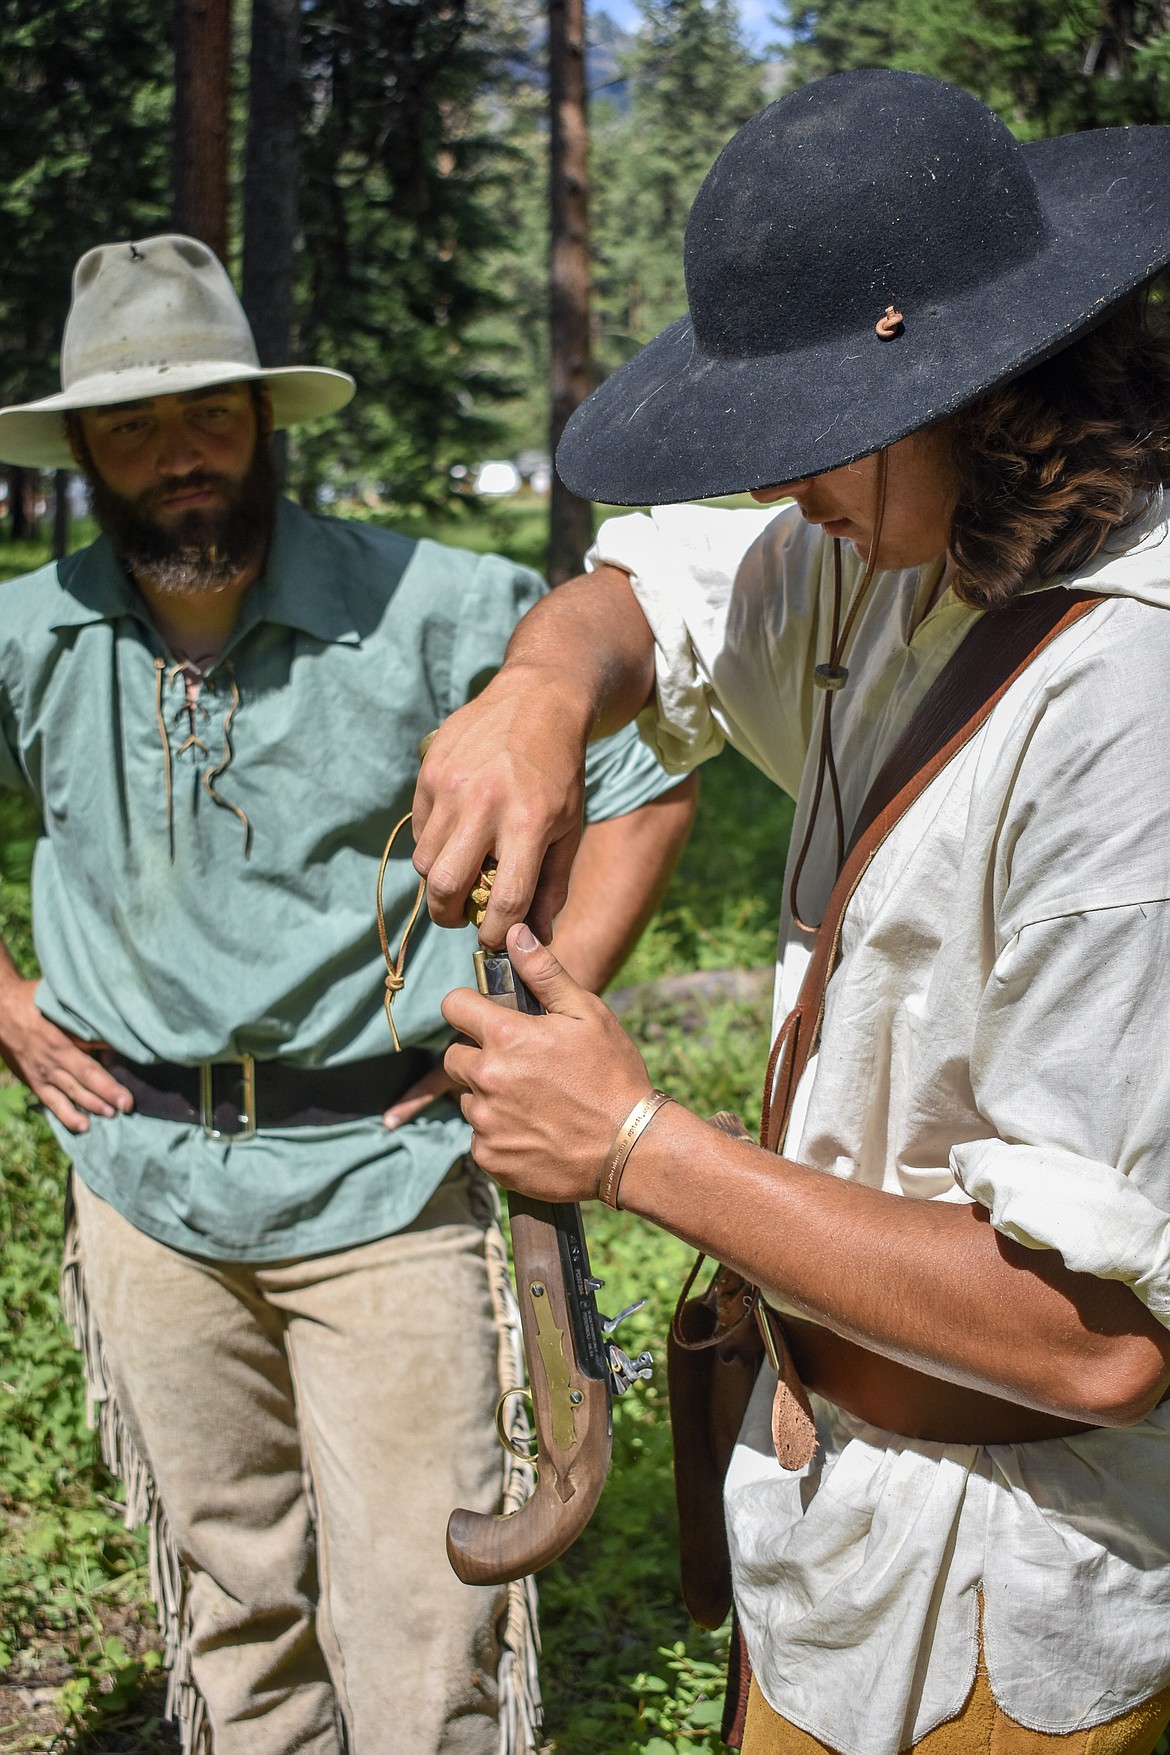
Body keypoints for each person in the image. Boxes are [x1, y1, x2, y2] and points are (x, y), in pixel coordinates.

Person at [411, 69, 1170, 1755]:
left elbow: (1096, 1341)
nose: (778, 486)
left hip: (1007, 1586)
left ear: (974, 389)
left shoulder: (1131, 712)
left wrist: (629, 1148)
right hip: (836, 1524)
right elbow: (646, 599)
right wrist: (537, 693)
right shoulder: (884, 544)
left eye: (809, 431)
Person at [0, 234, 697, 1755]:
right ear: (85, 454)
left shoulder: (438, 608)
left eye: (207, 418)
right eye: (133, 427)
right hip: (142, 1190)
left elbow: (641, 789)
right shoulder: (28, 632)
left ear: (262, 422)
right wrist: (2, 1000)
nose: (177, 456)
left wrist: (534, 1018)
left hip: (386, 1180)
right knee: (229, 1601)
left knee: (425, 1626)